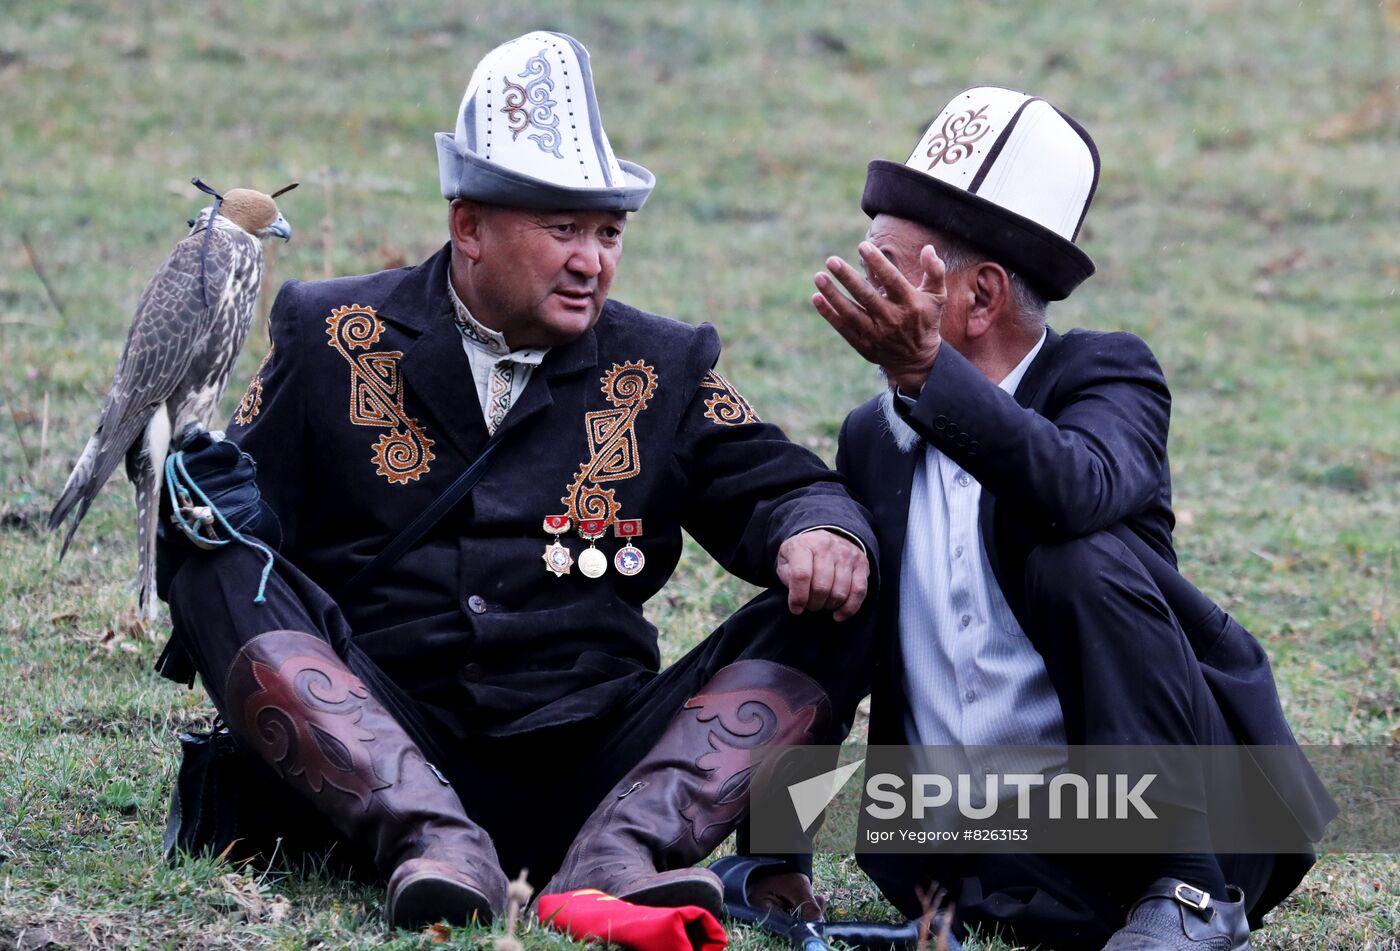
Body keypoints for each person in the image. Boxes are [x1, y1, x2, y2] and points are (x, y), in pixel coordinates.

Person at [155, 31, 876, 931]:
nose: (593, 260)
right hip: (381, 744)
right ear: (469, 226)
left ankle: (624, 855)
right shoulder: (329, 328)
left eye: (608, 232)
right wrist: (214, 508)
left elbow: (784, 483)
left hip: (601, 759)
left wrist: (821, 529)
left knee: (853, 593)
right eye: (562, 228)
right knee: (210, 558)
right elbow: (242, 525)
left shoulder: (666, 360)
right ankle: (431, 837)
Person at [812, 86, 1334, 950]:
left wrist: (928, 376)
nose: (869, 286)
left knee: (1077, 556)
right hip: (984, 854)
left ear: (978, 300)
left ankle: (1192, 897)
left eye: (894, 267)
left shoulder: (1108, 376)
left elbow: (1077, 487)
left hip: (1194, 822)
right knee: (825, 571)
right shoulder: (873, 436)